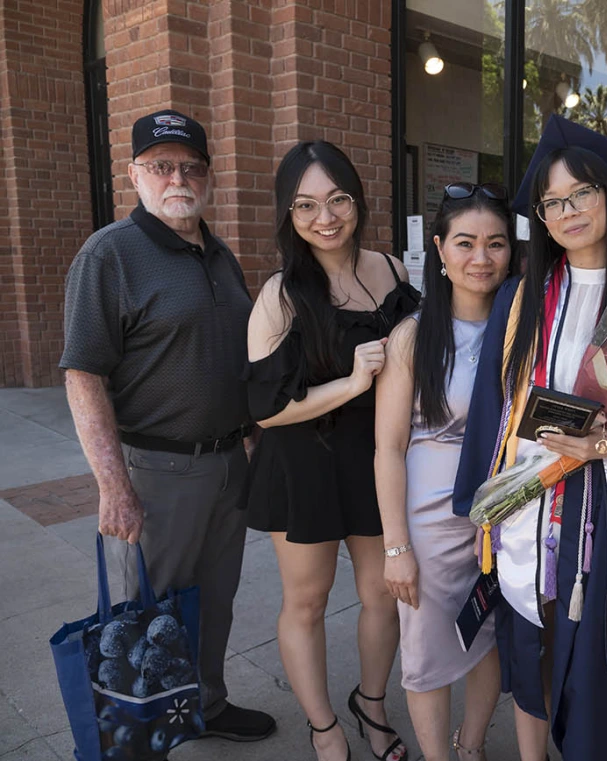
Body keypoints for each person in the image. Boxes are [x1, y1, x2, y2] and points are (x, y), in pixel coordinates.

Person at [453, 115, 607, 761]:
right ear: (542, 219)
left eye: (581, 191)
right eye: (553, 201)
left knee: (597, 651)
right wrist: (484, 505)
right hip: (527, 500)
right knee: (533, 641)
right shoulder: (522, 298)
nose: (568, 209)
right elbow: (493, 411)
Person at [60, 109, 276, 742]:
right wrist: (112, 485)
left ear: (207, 176)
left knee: (213, 601)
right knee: (147, 615)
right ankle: (138, 733)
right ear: (135, 175)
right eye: (161, 166)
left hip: (227, 465)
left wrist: (253, 431)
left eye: (191, 166)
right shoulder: (109, 255)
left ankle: (205, 705)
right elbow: (83, 376)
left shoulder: (219, 253)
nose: (177, 177)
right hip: (154, 472)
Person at [243, 141, 418, 761]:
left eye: (338, 198)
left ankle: (371, 704)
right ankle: (322, 726)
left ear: (358, 199)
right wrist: (349, 383)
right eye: (306, 205)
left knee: (382, 593)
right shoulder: (279, 295)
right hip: (304, 462)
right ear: (288, 215)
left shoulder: (393, 271)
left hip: (378, 459)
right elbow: (265, 408)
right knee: (308, 599)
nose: (326, 217)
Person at [375, 182, 514, 761]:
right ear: (438, 249)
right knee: (428, 652)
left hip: (503, 516)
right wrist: (395, 547)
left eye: (496, 244)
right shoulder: (415, 336)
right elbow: (387, 447)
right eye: (465, 243)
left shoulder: (522, 331)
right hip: (431, 526)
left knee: (487, 643)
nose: (481, 258)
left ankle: (471, 747)